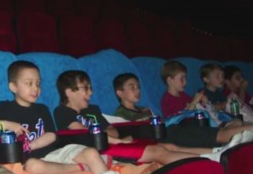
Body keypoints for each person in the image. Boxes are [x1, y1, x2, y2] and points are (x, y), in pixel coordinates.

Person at [0, 60, 120, 174]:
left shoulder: (42, 109)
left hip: (55, 154)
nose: (35, 88)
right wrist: (5, 124)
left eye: (38, 83)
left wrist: (32, 144)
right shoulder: (4, 108)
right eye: (29, 83)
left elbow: (52, 135)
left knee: (91, 152)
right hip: (36, 162)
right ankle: (83, 168)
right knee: (32, 166)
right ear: (13, 87)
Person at [53, 70, 239, 165]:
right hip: (97, 150)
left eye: (90, 87)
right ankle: (210, 160)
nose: (91, 92)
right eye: (85, 88)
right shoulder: (62, 111)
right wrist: (116, 141)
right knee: (158, 152)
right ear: (69, 92)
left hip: (112, 143)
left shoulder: (92, 109)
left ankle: (216, 153)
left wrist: (115, 137)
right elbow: (79, 131)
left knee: (167, 146)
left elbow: (110, 128)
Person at [160, 60, 253, 146]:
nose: (185, 82)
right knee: (235, 124)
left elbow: (198, 108)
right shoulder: (167, 99)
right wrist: (194, 102)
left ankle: (233, 136)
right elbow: (177, 119)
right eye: (182, 78)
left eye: (185, 78)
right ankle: (230, 136)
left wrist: (205, 102)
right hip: (194, 129)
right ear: (170, 80)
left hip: (208, 122)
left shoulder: (184, 95)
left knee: (237, 122)